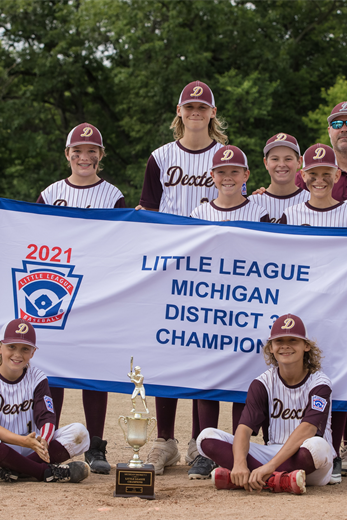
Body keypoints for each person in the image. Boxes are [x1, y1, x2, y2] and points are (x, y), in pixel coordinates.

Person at [137, 80, 228, 475]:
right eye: (188, 106)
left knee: (206, 349)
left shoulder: (225, 156)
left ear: (211, 113)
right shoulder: (160, 156)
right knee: (168, 349)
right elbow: (147, 209)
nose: (194, 112)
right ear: (179, 111)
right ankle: (164, 441)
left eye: (201, 107)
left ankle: (202, 441)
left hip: (213, 267)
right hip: (170, 264)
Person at [38, 123, 124, 475]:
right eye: (78, 150)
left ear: (100, 156)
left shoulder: (112, 195)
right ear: (67, 154)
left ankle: (96, 445)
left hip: (96, 290)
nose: (84, 156)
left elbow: (121, 242)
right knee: (53, 371)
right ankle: (51, 440)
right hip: (56, 288)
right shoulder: (50, 193)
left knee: (93, 372)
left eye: (92, 151)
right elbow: (32, 236)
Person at [277, 143, 347, 484]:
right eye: (313, 174)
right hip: (302, 310)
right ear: (304, 175)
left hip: (339, 310)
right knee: (300, 378)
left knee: (336, 378)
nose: (320, 180)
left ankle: (336, 452)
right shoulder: (291, 214)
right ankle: (288, 445)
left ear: (337, 175)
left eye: (327, 174)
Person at [184, 145, 269, 480]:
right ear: (212, 176)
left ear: (246, 175)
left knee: (241, 381)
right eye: (222, 172)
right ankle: (205, 452)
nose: (228, 177)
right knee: (208, 380)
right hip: (208, 305)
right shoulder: (199, 211)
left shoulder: (259, 211)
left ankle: (238, 449)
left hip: (247, 303)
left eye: (235, 171)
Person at [197, 314, 334, 494]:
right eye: (279, 341)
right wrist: (239, 463)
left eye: (293, 340)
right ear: (271, 347)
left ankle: (249, 479)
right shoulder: (262, 383)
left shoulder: (320, 383)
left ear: (306, 346)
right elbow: (244, 429)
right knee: (206, 437)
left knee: (318, 446)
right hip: (272, 453)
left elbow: (308, 429)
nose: (285, 346)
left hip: (309, 461)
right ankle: (279, 481)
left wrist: (269, 466)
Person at [0, 319, 92, 485]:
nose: (18, 354)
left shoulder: (37, 378)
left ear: (32, 352)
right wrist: (24, 441)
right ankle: (43, 472)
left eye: (25, 349)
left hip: (34, 448)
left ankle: (9, 472)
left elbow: (46, 417)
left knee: (80, 433)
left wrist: (44, 441)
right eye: (12, 347)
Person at [248, 133, 309, 223]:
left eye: (288, 159)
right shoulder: (252, 203)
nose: (281, 164)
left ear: (299, 162)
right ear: (266, 163)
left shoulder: (311, 200)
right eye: (275, 159)